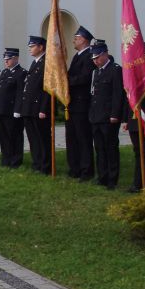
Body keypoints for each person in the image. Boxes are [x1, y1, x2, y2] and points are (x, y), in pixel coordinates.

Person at [88, 41, 124, 189]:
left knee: (110, 148)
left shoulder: (115, 70)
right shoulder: (96, 72)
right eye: (93, 59)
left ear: (105, 54)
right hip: (96, 116)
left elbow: (117, 94)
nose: (95, 61)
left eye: (97, 57)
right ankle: (102, 176)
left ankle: (112, 179)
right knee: (99, 148)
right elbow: (93, 95)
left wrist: (115, 114)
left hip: (109, 117)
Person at [16, 36, 51, 174]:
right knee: (33, 139)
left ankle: (45, 165)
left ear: (41, 47)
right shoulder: (35, 63)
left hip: (38, 108)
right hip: (29, 108)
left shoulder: (46, 63)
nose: (30, 49)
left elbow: (47, 89)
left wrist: (43, 108)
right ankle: (37, 163)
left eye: (32, 46)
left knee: (42, 139)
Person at [66, 25, 95, 181]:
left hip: (82, 103)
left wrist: (67, 82)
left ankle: (86, 170)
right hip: (73, 104)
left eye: (76, 38)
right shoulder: (78, 56)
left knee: (83, 139)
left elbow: (85, 78)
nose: (74, 41)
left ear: (84, 40)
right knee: (72, 138)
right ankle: (74, 168)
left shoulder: (89, 56)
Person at [0, 48, 25, 168]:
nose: (6, 61)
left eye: (9, 59)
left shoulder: (21, 73)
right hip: (2, 110)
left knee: (15, 136)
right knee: (4, 136)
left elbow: (20, 93)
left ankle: (15, 160)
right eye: (5, 59)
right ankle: (6, 158)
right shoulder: (4, 73)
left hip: (12, 111)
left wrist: (18, 110)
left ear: (16, 58)